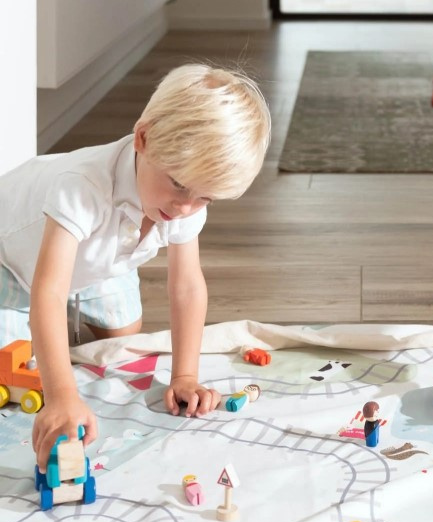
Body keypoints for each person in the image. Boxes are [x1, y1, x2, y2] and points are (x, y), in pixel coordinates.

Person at [0, 64, 271, 468]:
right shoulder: (82, 187)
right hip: (12, 261)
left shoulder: (184, 200)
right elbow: (48, 291)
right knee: (16, 364)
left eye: (205, 198)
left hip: (101, 256)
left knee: (120, 341)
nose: (186, 208)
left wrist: (184, 376)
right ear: (143, 139)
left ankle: (72, 314)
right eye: (179, 185)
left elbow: (187, 286)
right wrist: (62, 397)